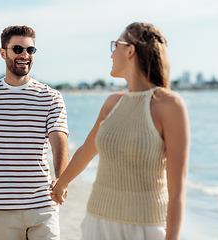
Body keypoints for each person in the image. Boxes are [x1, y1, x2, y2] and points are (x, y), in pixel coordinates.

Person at [51, 22, 190, 240]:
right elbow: (87, 151)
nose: (111, 54)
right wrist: (61, 184)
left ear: (130, 50)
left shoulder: (170, 105)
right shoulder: (112, 103)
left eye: (115, 45)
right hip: (97, 222)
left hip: (145, 228)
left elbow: (177, 189)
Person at [0, 25, 69, 240]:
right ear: (3, 52)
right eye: (17, 49)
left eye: (30, 50)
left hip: (43, 206)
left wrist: (61, 179)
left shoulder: (51, 97)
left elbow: (58, 142)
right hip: (0, 209)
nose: (24, 55)